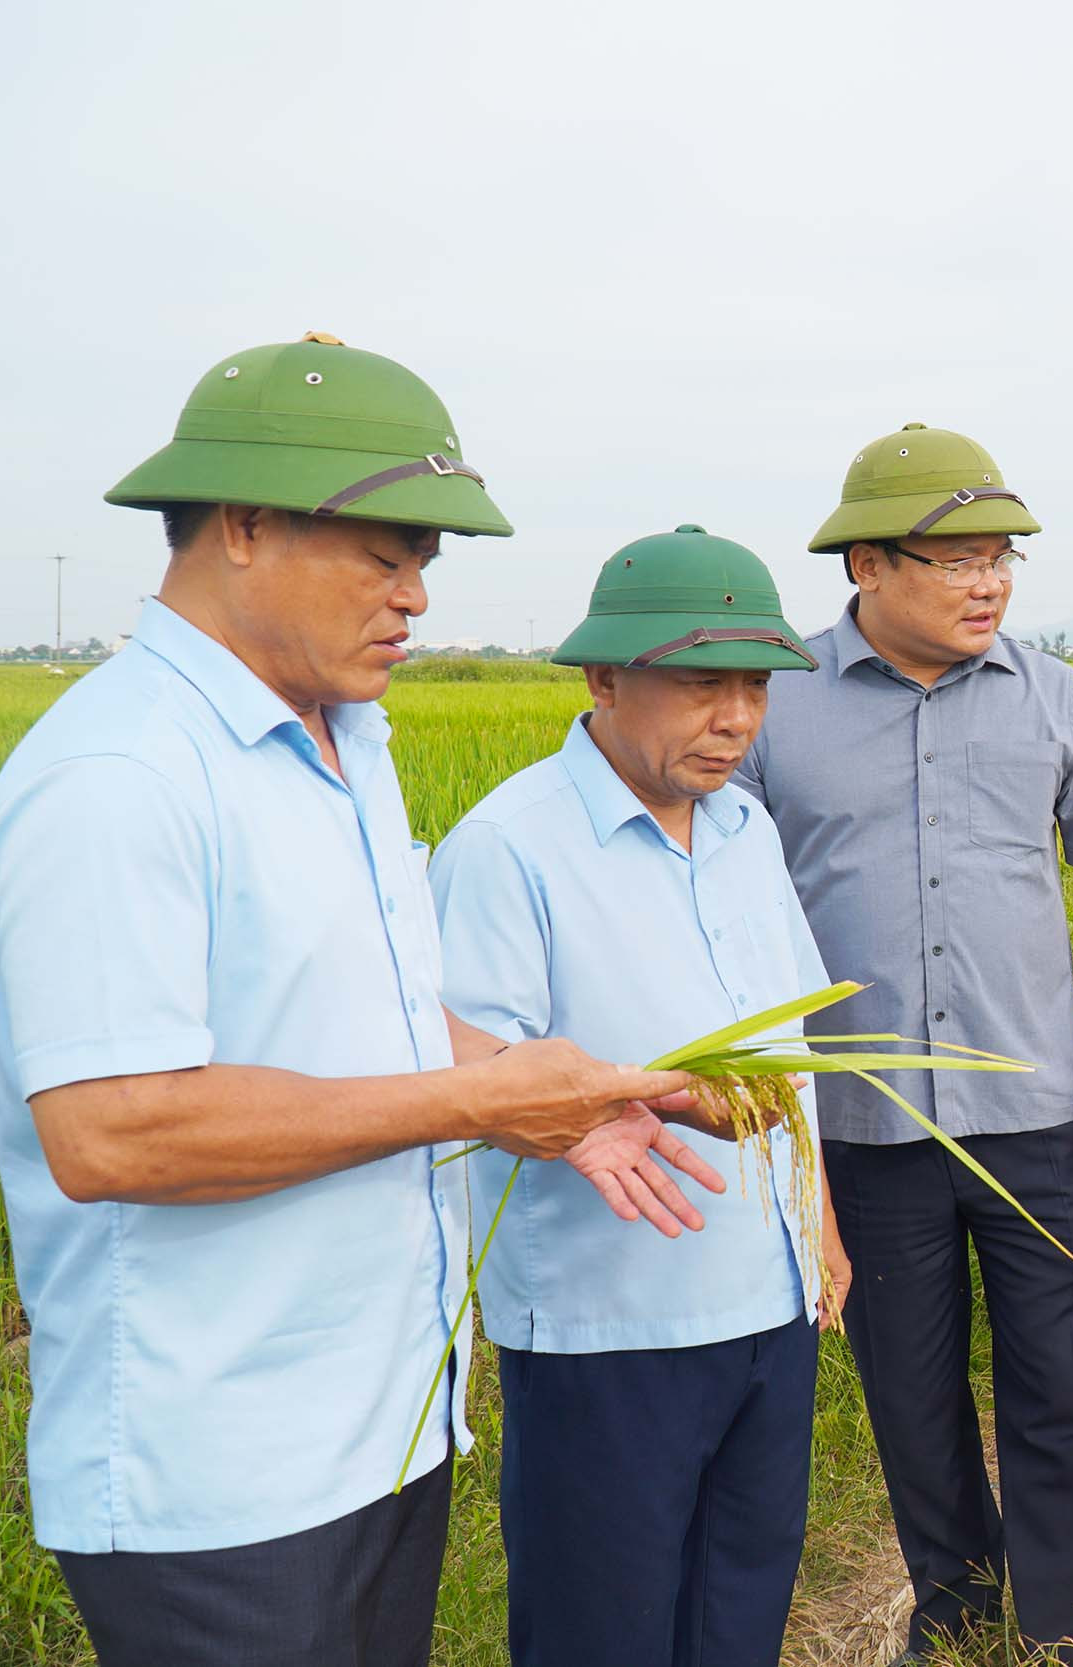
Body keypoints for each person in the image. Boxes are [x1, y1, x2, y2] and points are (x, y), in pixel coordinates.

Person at [0, 335, 699, 1667]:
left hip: (383, 1425)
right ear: (242, 526)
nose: (416, 594)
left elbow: (380, 1019)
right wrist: (476, 1099)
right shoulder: (119, 774)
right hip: (223, 1477)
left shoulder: (344, 742)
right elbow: (114, 1130)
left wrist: (562, 1102)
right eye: (388, 553)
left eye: (426, 560)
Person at [733, 425, 1073, 1664]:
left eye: (1003, 558)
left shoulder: (1049, 694)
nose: (991, 583)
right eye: (959, 559)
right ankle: (957, 1599)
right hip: (864, 1124)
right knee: (910, 1391)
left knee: (1066, 1382)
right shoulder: (780, 701)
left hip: (1037, 1110)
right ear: (868, 564)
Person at [431, 525, 850, 1665]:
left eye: (754, 686)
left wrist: (817, 1223)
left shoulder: (746, 828)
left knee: (740, 1602)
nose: (736, 718)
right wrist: (620, 1106)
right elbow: (463, 1073)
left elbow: (789, 1051)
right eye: (701, 683)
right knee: (601, 1625)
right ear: (605, 677)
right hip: (609, 1324)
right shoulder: (507, 849)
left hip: (767, 1297)